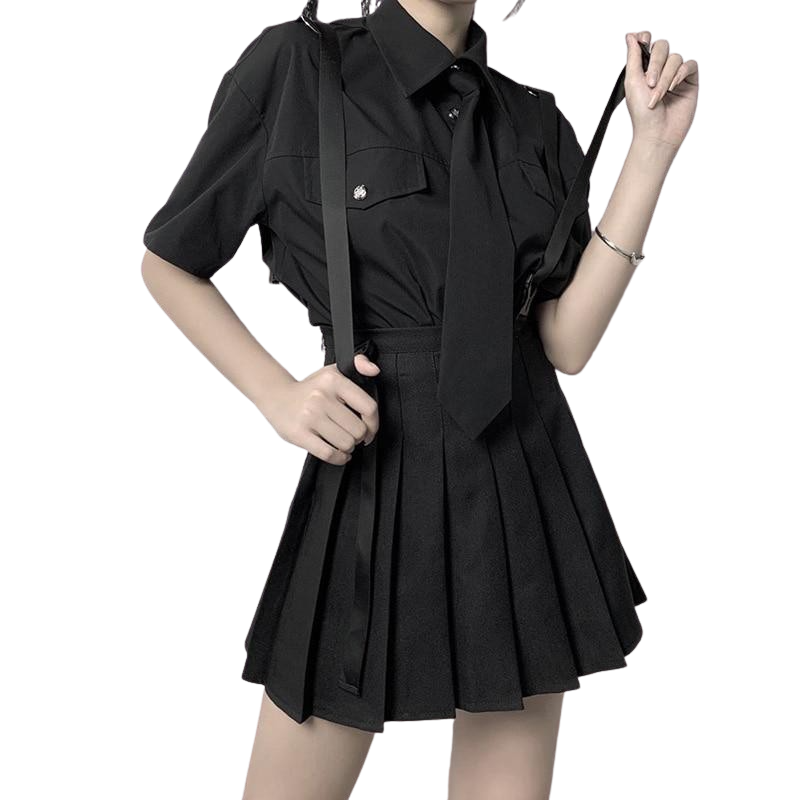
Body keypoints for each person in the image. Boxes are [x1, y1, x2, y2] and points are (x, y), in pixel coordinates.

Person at [140, 1, 699, 797]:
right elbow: (169, 262)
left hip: (522, 469)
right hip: (374, 464)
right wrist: (278, 396)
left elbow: (566, 343)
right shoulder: (297, 63)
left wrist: (651, 151)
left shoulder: (534, 115)